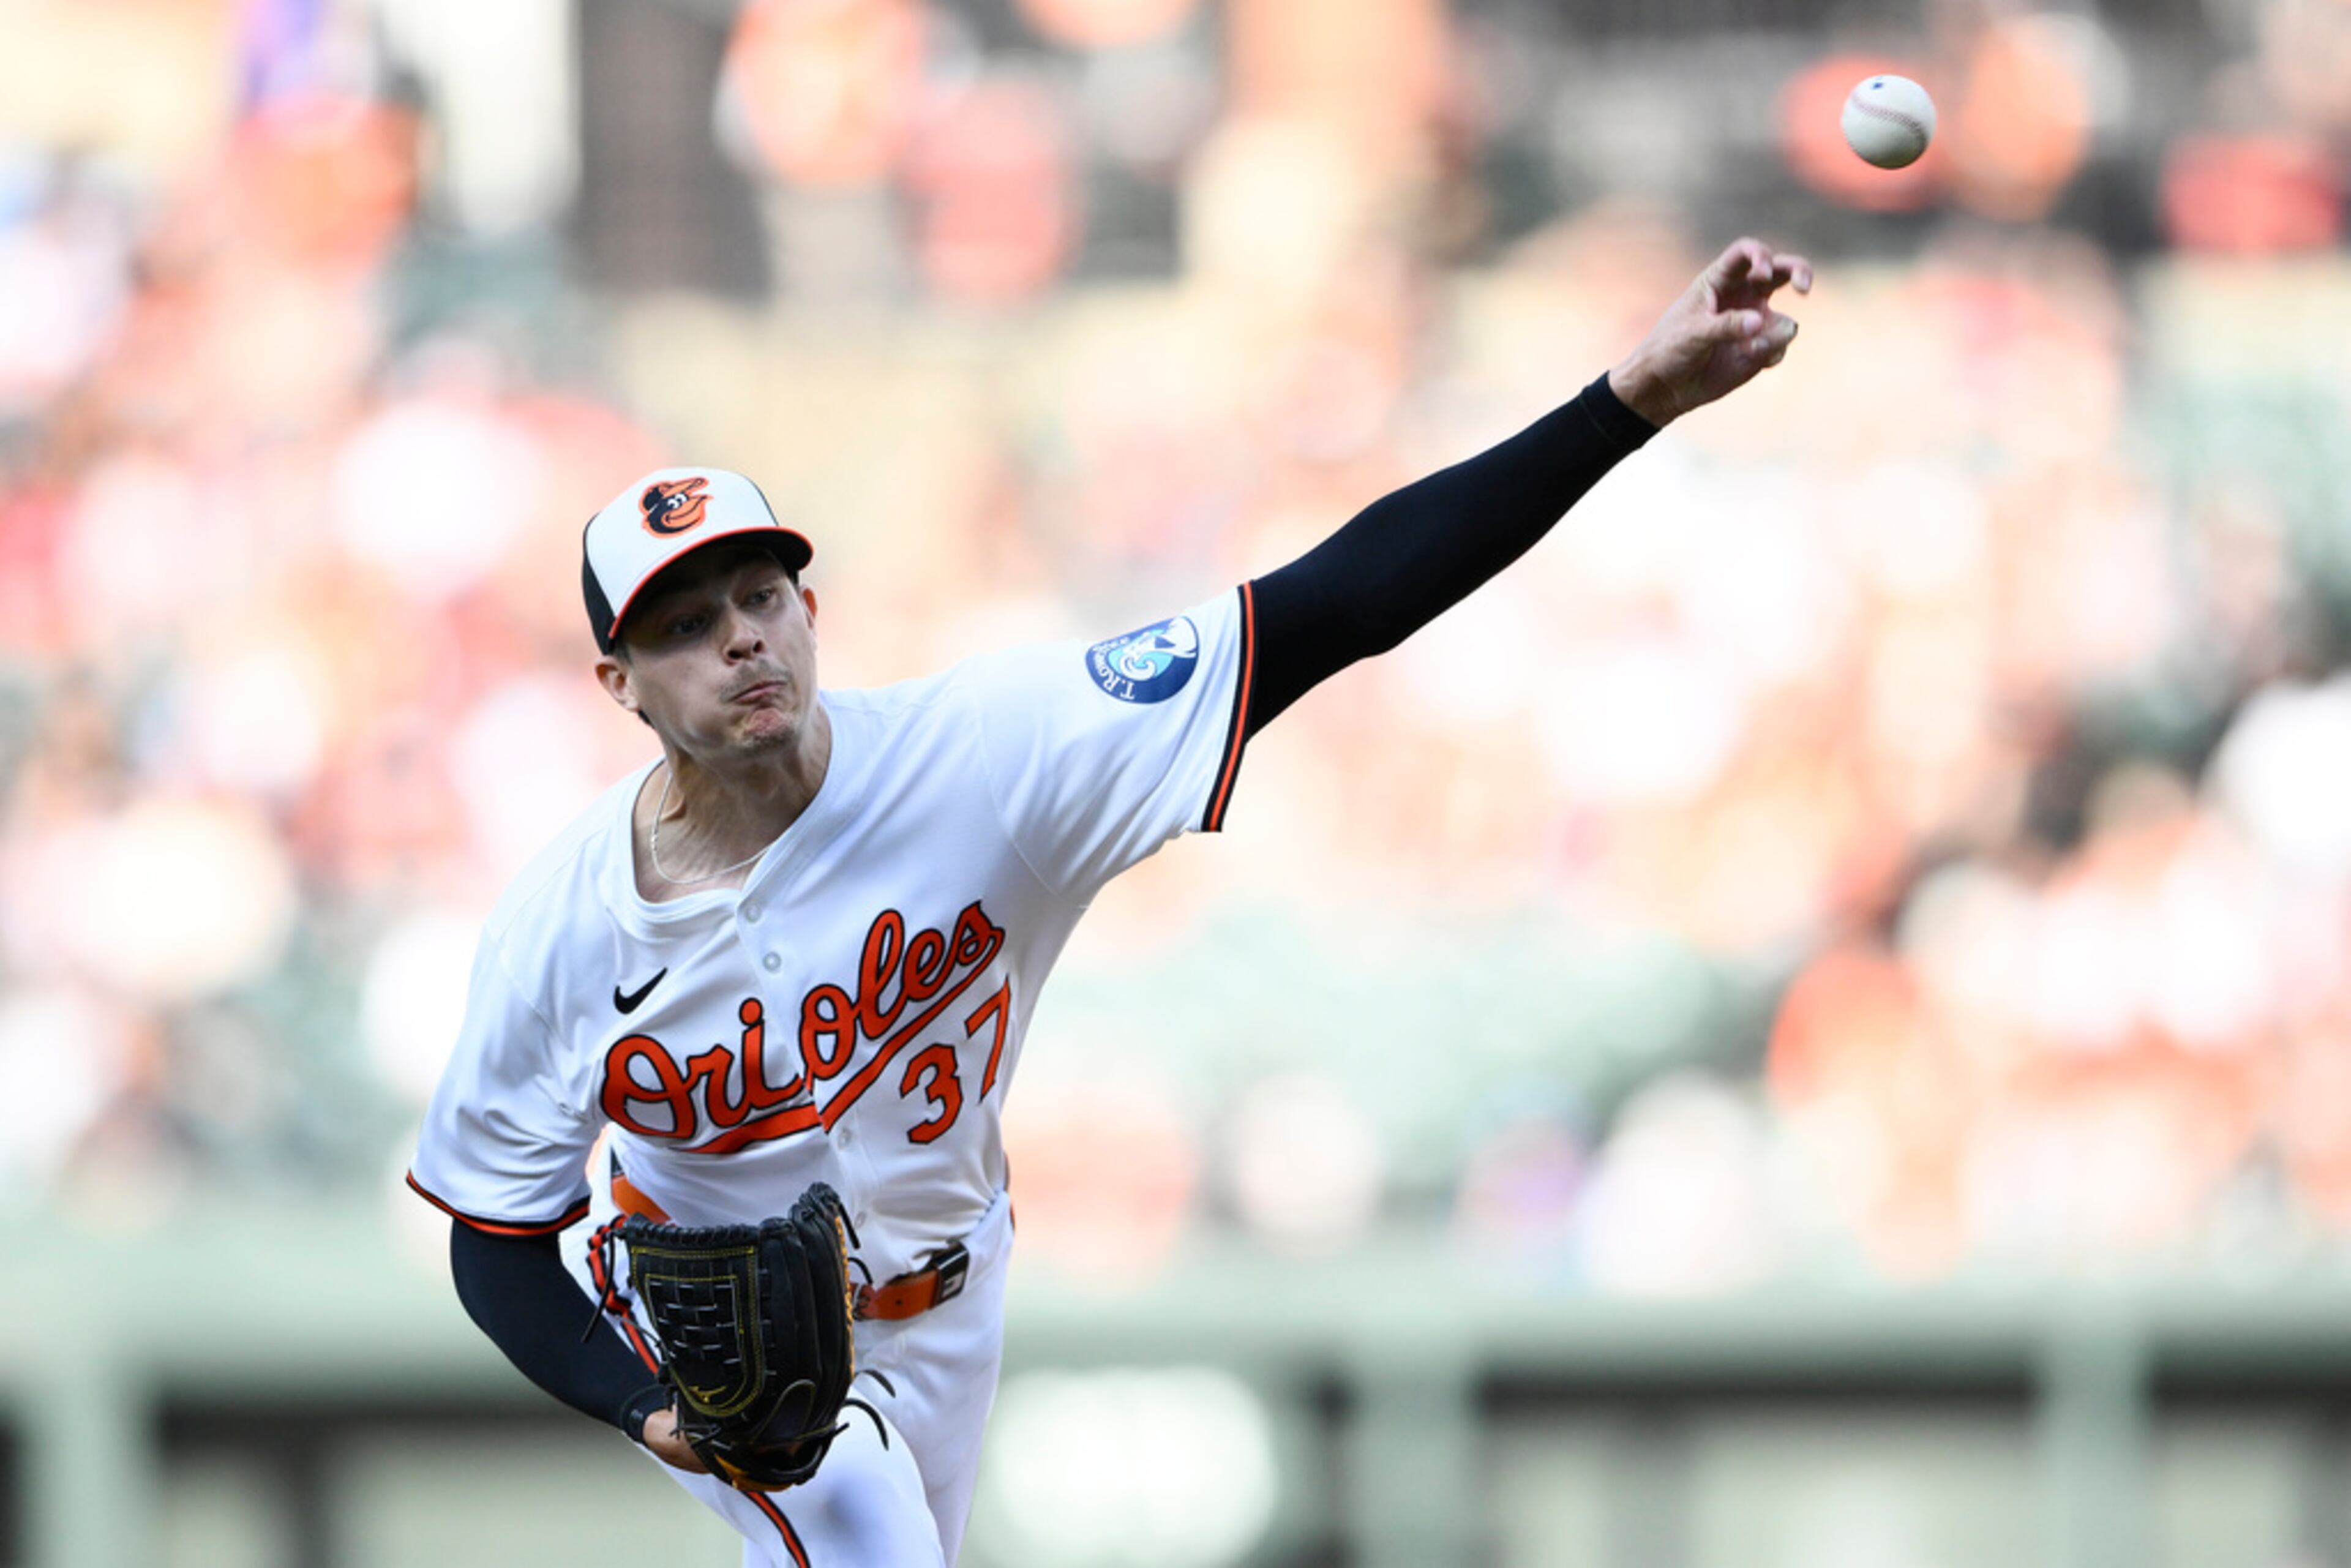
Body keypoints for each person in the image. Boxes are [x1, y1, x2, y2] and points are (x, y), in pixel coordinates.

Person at [406, 238, 1811, 1565]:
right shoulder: (565, 928)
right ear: (620, 687)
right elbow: (497, 1235)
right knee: (859, 1533)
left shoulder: (990, 756)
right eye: (680, 626)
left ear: (809, 611)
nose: (738, 640)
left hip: (956, 1289)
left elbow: (1334, 604)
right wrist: (642, 1401)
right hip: (721, 1367)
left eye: (760, 595)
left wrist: (1625, 405)